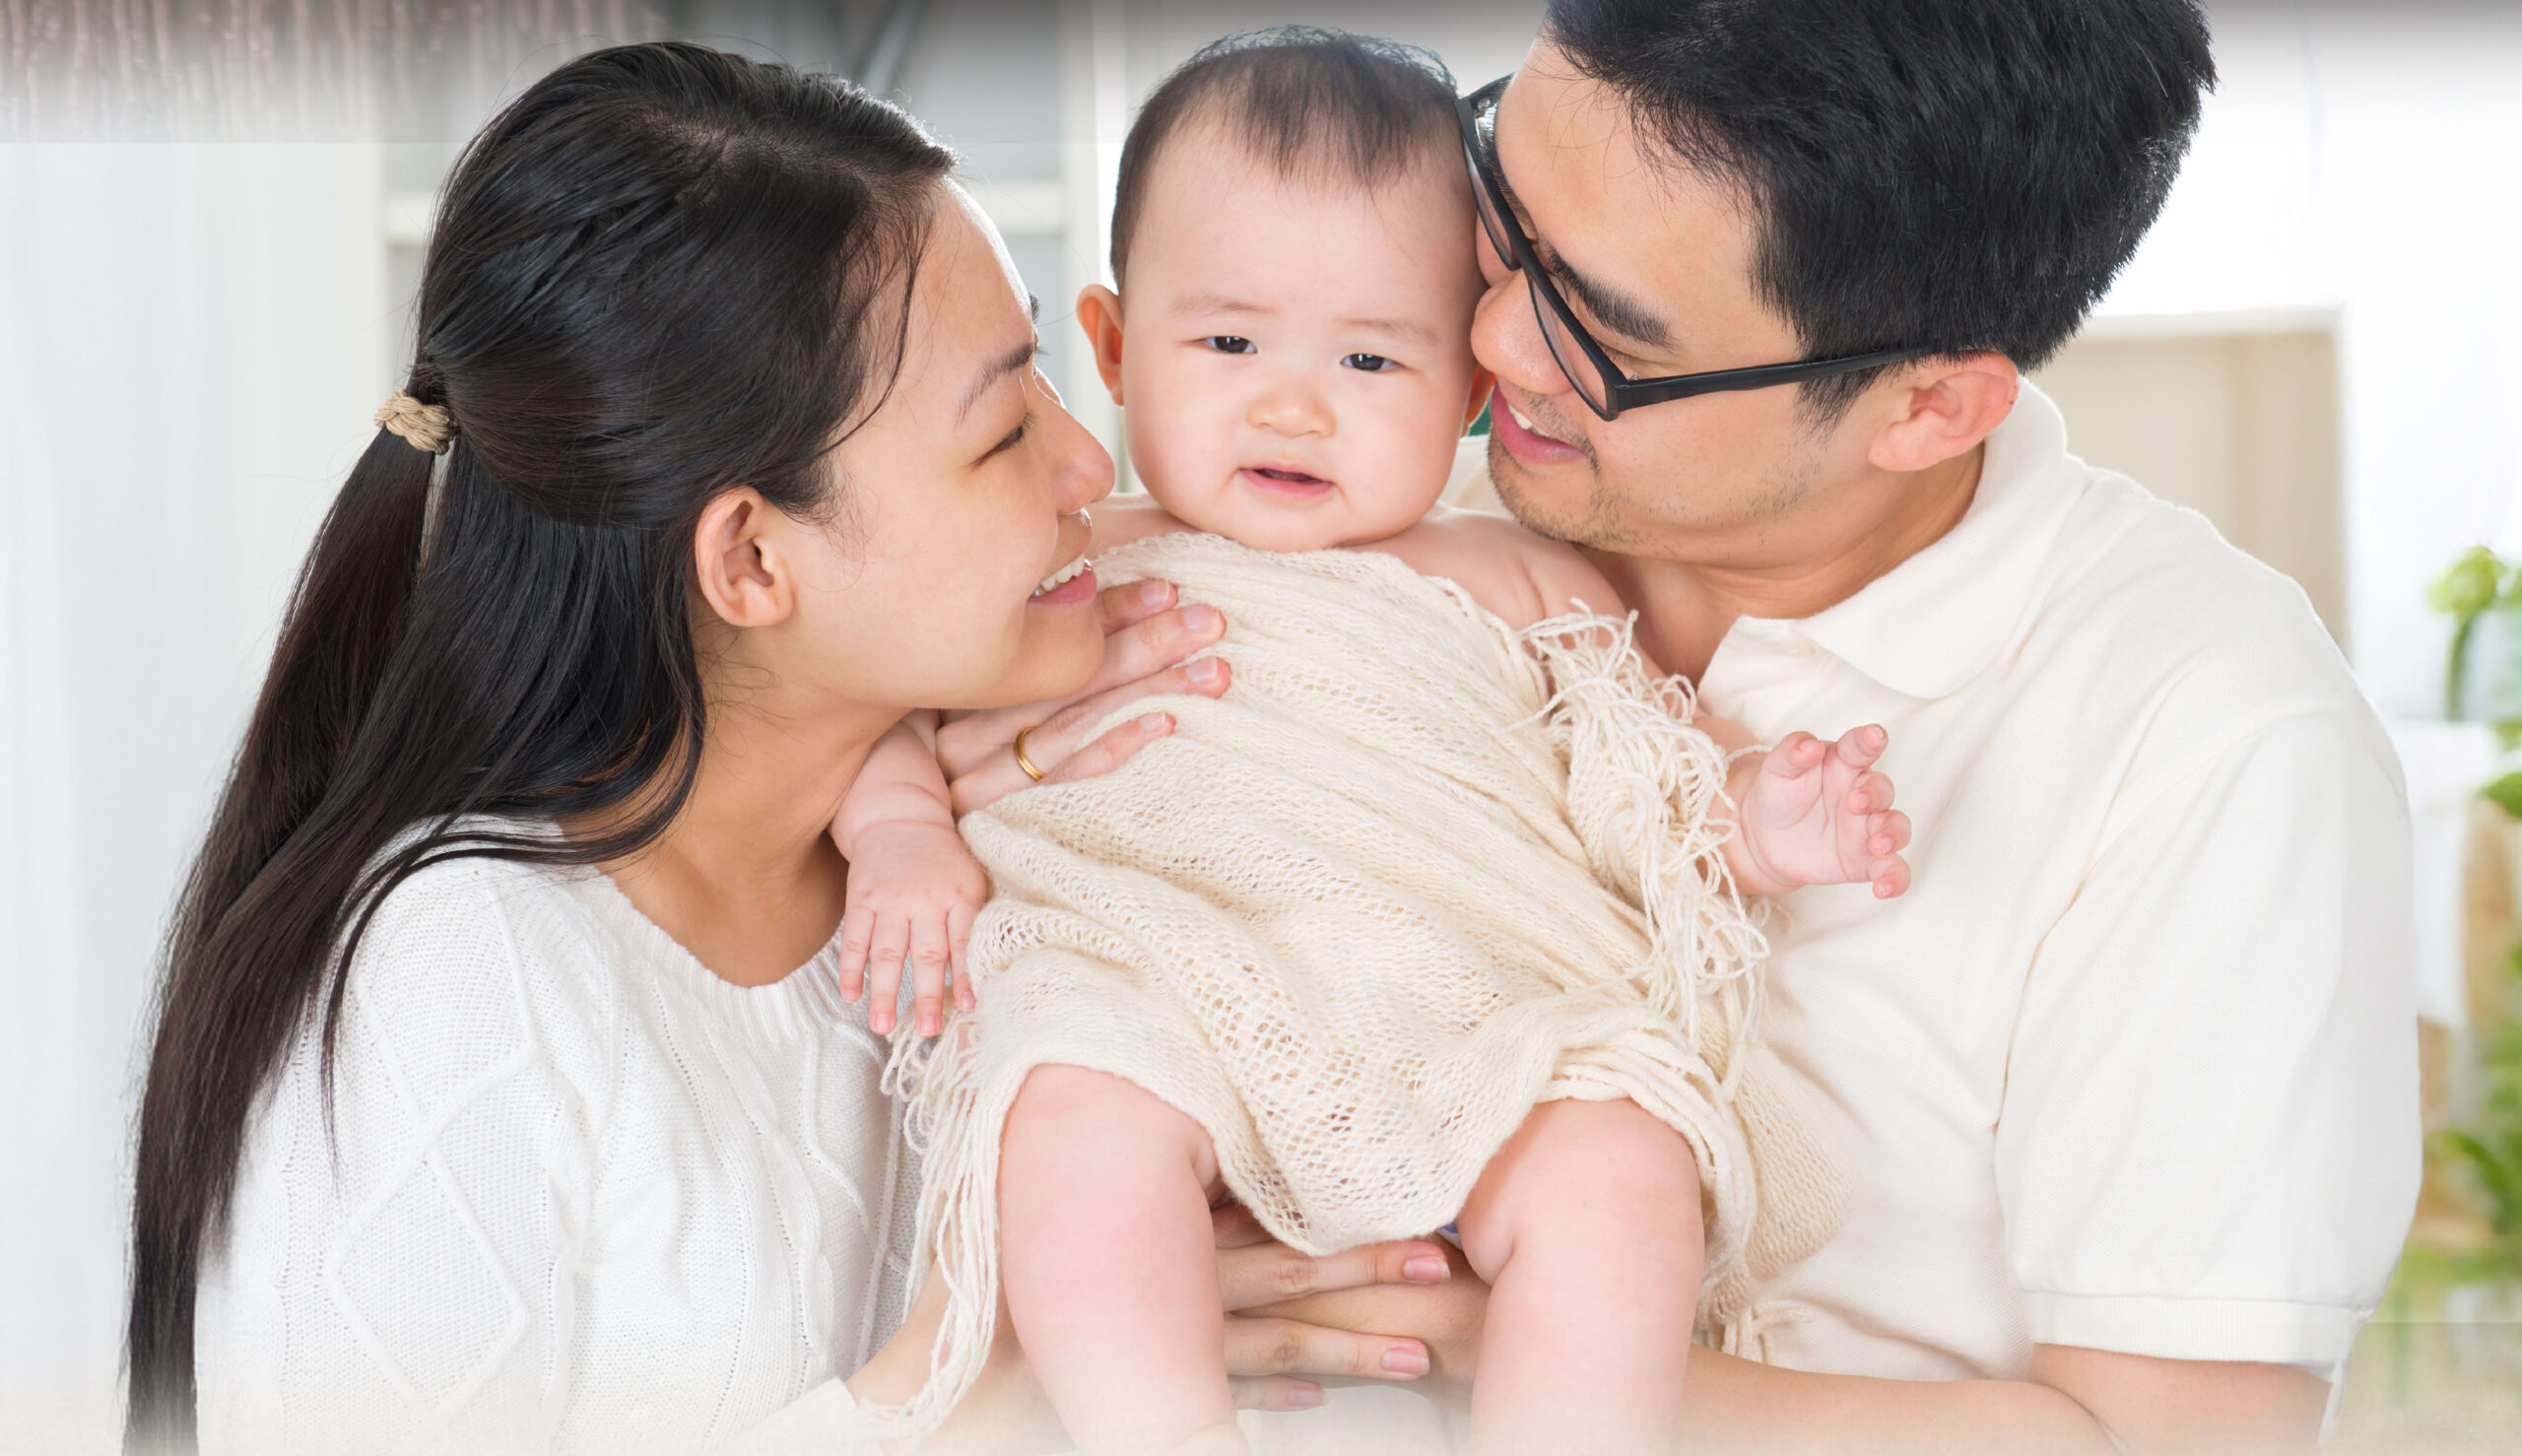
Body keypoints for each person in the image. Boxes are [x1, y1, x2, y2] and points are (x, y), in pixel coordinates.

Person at [122, 42, 1457, 1456]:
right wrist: (978, 1359)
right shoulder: (457, 983)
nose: (1088, 466)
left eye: (1053, 381)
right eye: (1004, 428)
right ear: (752, 557)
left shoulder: (1024, 815)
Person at [828, 31, 1910, 1456]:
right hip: (1156, 979)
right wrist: (898, 830)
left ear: (1466, 388)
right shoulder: (1058, 552)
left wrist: (1766, 819)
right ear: (1108, 344)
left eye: (1367, 355)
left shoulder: (1518, 575)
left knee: (1624, 1164)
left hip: (1467, 1010)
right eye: (1226, 341)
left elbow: (1650, 767)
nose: (1293, 401)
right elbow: (888, 703)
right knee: (1071, 1120)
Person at [1425, 0, 2414, 1450]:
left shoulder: (2210, 736)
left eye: (1596, 322)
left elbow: (2171, 1440)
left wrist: (1471, 1356)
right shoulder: (1381, 513)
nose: (1491, 331)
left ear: (1931, 406)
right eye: (1504, 206)